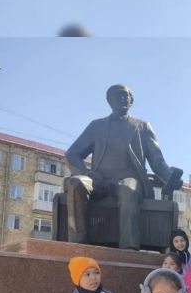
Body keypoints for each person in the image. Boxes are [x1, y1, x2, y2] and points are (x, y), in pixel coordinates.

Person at [64, 84, 183, 250]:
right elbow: (72, 154)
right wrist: (86, 172)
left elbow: (157, 161)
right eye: (116, 95)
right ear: (109, 101)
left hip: (129, 180)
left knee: (128, 189)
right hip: (99, 181)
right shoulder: (96, 126)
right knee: (76, 182)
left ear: (131, 100)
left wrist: (170, 177)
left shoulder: (142, 127)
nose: (121, 98)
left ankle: (128, 249)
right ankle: (78, 245)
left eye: (124, 95)